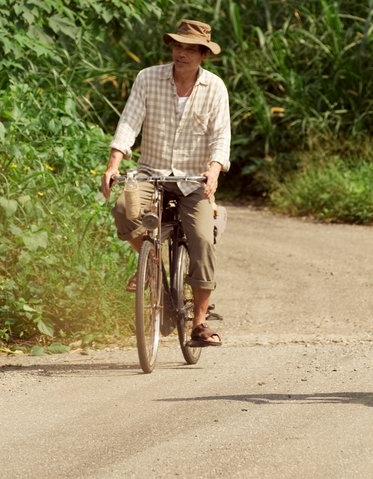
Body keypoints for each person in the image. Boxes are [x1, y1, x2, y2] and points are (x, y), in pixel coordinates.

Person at [100, 19, 230, 347]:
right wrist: (114, 163)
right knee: (123, 208)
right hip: (152, 173)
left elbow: (220, 137)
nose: (181, 53)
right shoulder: (148, 78)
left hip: (193, 179)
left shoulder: (215, 87)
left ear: (203, 54)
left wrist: (213, 170)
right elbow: (129, 121)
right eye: (177, 46)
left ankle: (199, 323)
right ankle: (152, 264)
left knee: (202, 239)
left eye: (190, 48)